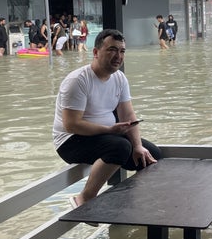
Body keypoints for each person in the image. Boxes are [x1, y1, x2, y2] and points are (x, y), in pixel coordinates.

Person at [53, 28, 161, 207]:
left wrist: (138, 146)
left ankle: (132, 204)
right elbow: (71, 125)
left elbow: (128, 114)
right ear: (95, 52)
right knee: (120, 147)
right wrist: (110, 130)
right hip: (70, 141)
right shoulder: (78, 81)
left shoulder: (119, 78)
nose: (118, 56)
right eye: (112, 50)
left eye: (122, 51)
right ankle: (84, 198)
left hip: (106, 136)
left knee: (150, 155)